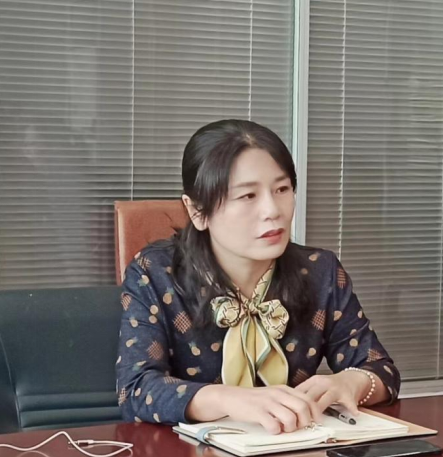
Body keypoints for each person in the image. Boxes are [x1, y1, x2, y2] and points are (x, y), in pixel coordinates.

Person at [116, 119, 401, 435]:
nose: (272, 210)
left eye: (282, 189)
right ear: (197, 211)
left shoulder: (321, 272)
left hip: (293, 451)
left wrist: (353, 382)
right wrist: (227, 399)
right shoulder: (155, 273)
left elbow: (382, 370)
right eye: (248, 196)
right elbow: (136, 391)